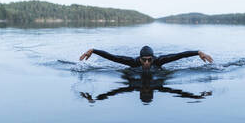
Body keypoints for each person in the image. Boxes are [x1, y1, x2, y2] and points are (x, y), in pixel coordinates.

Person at [79, 45, 213, 70]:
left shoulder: (159, 60)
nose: (147, 62)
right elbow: (113, 57)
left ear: (153, 58)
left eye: (150, 59)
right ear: (140, 58)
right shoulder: (133, 62)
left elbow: (179, 56)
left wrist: (198, 52)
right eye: (144, 60)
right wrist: (93, 50)